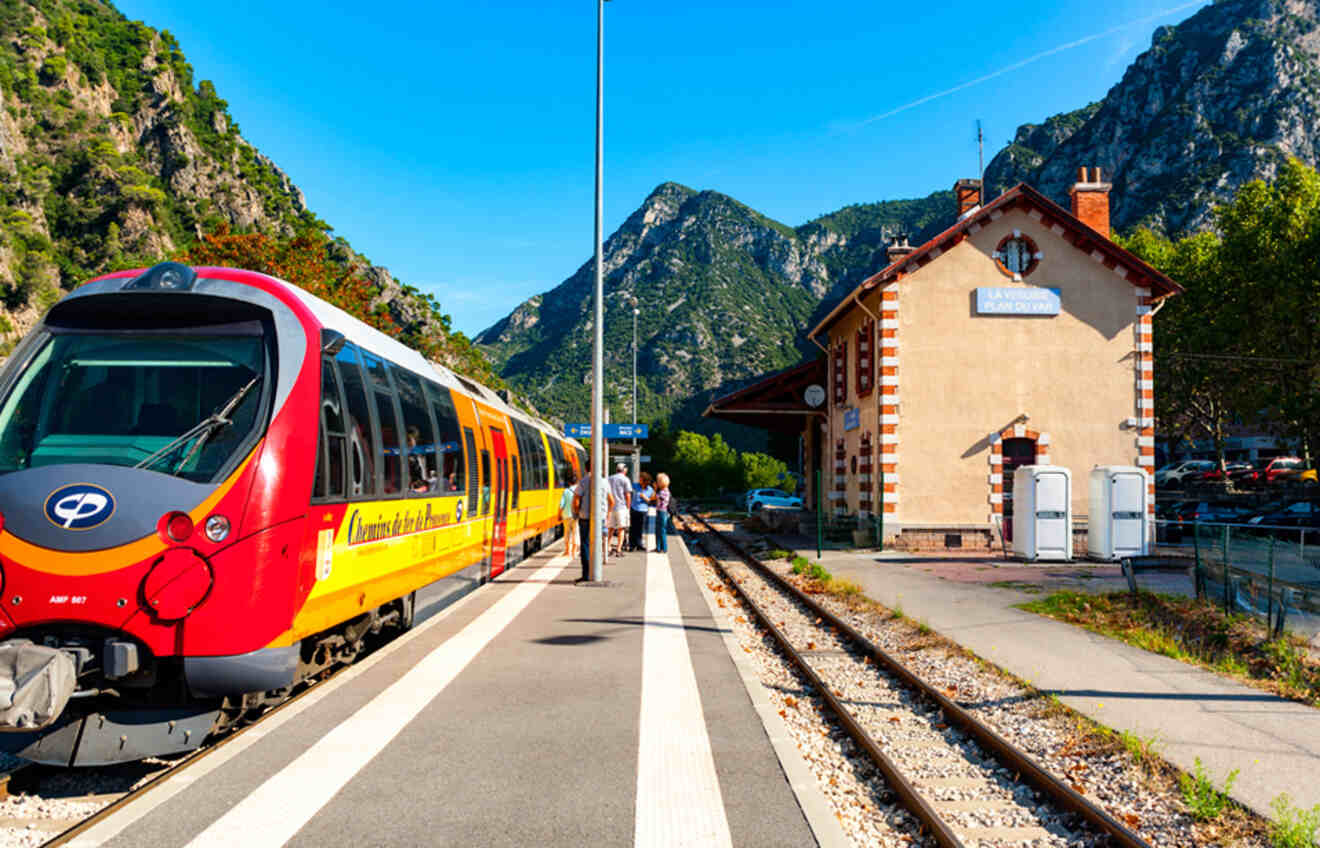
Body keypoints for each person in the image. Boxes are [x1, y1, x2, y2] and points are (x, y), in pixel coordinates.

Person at [572, 460, 614, 579]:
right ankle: (596, 571)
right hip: (600, 518)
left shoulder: (583, 482)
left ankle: (586, 574)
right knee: (597, 543)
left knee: (585, 544)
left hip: (585, 518)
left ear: (586, 469)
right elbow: (612, 501)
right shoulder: (605, 482)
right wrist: (607, 514)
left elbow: (576, 500)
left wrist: (576, 512)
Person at [606, 463, 632, 556]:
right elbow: (628, 495)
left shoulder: (609, 478)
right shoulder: (625, 479)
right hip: (621, 507)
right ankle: (618, 549)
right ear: (624, 470)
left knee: (610, 528)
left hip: (610, 507)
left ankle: (608, 548)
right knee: (621, 529)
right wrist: (628, 508)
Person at [629, 471, 654, 553]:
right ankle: (632, 545)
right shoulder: (635, 486)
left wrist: (644, 497)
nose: (639, 480)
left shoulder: (650, 489)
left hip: (643, 510)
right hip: (634, 509)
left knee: (640, 529)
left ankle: (639, 545)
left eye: (641, 478)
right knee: (633, 528)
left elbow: (651, 501)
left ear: (645, 480)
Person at [559, 468, 578, 560]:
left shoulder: (566, 491)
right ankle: (574, 551)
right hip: (576, 515)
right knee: (575, 533)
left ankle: (567, 551)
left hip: (566, 515)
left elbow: (561, 505)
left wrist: (559, 514)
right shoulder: (579, 490)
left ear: (569, 482)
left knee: (566, 533)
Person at [653, 472, 672, 553]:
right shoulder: (666, 491)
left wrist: (655, 489)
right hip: (663, 512)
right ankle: (659, 547)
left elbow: (655, 499)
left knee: (661, 530)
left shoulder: (663, 492)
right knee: (659, 530)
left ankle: (663, 548)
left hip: (662, 512)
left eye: (658, 481)